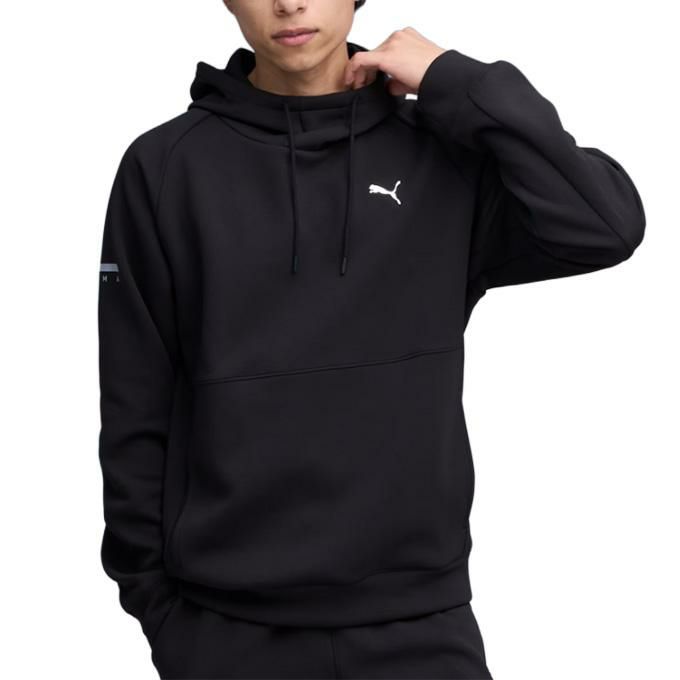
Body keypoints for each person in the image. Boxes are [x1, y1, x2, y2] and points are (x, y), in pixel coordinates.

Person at [97, 0, 646, 678]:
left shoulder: (442, 153)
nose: (289, 3)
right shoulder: (165, 167)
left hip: (420, 624)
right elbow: (135, 397)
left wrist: (460, 81)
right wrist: (156, 605)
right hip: (223, 628)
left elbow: (604, 226)